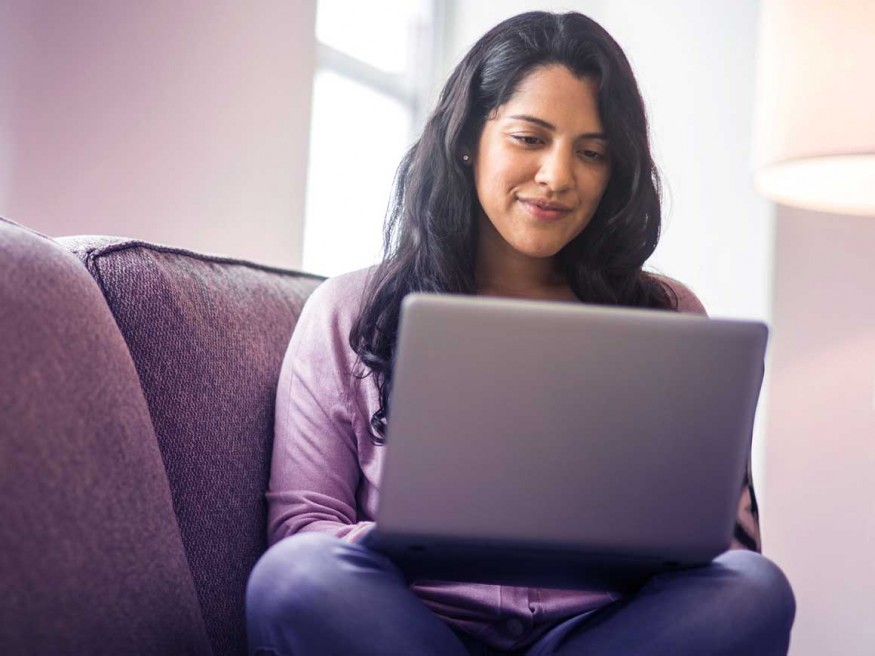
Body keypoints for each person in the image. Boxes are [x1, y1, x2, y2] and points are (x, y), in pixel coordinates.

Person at [246, 10, 795, 656]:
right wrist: (414, 537)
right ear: (467, 139)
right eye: (529, 138)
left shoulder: (667, 315)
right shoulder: (350, 310)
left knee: (753, 589)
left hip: (603, 636)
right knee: (293, 579)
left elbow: (726, 546)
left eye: (590, 153)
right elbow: (301, 529)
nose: (557, 177)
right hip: (410, 630)